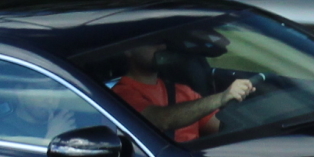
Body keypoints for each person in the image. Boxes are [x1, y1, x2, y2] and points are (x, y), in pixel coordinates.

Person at [108, 40, 255, 142]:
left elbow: (222, 128)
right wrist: (221, 98)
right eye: (152, 42)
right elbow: (159, 120)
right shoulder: (121, 95)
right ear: (128, 50)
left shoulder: (182, 91)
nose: (161, 47)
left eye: (162, 42)